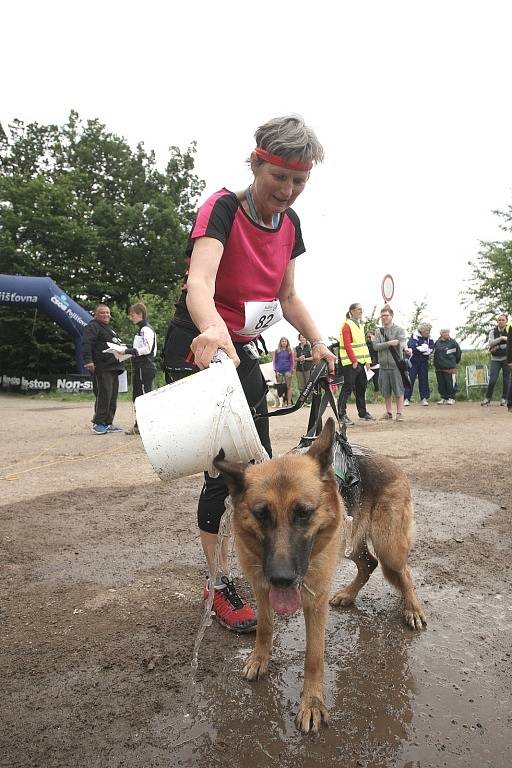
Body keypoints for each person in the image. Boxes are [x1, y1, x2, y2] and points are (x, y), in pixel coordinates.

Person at [162, 115, 336, 632]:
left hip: (240, 349)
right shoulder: (222, 208)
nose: (287, 191)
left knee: (259, 469)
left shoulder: (291, 226)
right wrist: (213, 329)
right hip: (199, 342)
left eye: (299, 181)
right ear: (256, 163)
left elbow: (286, 297)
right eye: (278, 177)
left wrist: (319, 340)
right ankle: (219, 583)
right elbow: (200, 284)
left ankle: (265, 562)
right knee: (230, 470)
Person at [82, 304, 125, 434]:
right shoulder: (93, 326)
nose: (106, 315)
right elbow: (86, 343)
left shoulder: (109, 329)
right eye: (102, 313)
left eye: (107, 312)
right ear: (96, 314)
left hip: (114, 367)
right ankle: (98, 423)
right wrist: (89, 360)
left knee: (112, 396)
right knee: (104, 395)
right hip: (102, 367)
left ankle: (108, 422)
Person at [121, 302, 157, 434]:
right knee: (137, 396)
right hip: (141, 367)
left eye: (133, 315)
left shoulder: (145, 329)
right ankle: (139, 425)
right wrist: (124, 347)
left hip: (145, 367)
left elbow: (146, 349)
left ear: (140, 314)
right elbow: (139, 347)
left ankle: (146, 427)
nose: (131, 318)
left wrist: (127, 351)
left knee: (143, 398)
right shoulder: (142, 329)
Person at [337, 302, 375, 425]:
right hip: (350, 362)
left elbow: (363, 345)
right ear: (352, 311)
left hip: (362, 362)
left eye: (361, 309)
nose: (361, 311)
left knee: (361, 387)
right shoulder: (346, 325)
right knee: (347, 387)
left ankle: (363, 412)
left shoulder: (360, 325)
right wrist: (354, 360)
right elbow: (347, 344)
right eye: (359, 309)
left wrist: (368, 361)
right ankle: (341, 414)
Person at [373, 305, 408, 421]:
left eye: (386, 315)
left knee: (398, 389)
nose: (384, 318)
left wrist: (406, 348)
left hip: (396, 365)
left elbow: (402, 342)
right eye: (382, 316)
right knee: (385, 390)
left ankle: (399, 413)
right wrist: (389, 343)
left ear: (392, 316)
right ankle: (388, 412)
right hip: (383, 365)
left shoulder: (399, 330)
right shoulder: (378, 331)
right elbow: (375, 346)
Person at [481, 313, 510, 406]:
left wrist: (499, 346)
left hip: (507, 358)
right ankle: (487, 398)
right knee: (492, 379)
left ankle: (504, 399)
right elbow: (491, 343)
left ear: (506, 321)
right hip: (495, 359)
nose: (501, 321)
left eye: (503, 320)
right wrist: (502, 338)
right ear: (497, 321)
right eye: (499, 320)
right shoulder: (492, 332)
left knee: (506, 380)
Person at [404, 322, 435, 406]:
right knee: (410, 379)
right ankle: (406, 398)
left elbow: (432, 347)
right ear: (422, 330)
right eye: (427, 331)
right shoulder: (414, 336)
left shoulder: (429, 338)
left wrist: (427, 350)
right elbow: (412, 348)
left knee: (424, 379)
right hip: (413, 362)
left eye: (429, 331)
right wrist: (423, 349)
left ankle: (424, 398)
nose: (428, 332)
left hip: (423, 362)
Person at [433, 328, 462, 404]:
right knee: (441, 384)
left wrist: (453, 362)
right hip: (439, 367)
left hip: (450, 367)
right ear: (441, 334)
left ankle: (451, 398)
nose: (446, 334)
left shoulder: (453, 342)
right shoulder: (437, 342)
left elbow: (458, 353)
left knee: (450, 383)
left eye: (447, 332)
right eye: (444, 332)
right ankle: (443, 397)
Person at [272, 336, 295, 406]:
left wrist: (290, 371)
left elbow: (292, 362)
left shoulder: (290, 351)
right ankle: (281, 403)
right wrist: (276, 371)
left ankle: (289, 402)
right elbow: (274, 362)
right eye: (282, 341)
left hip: (287, 371)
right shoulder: (277, 351)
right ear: (280, 342)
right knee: (279, 388)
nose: (284, 342)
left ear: (287, 342)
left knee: (289, 386)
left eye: (285, 341)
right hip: (279, 371)